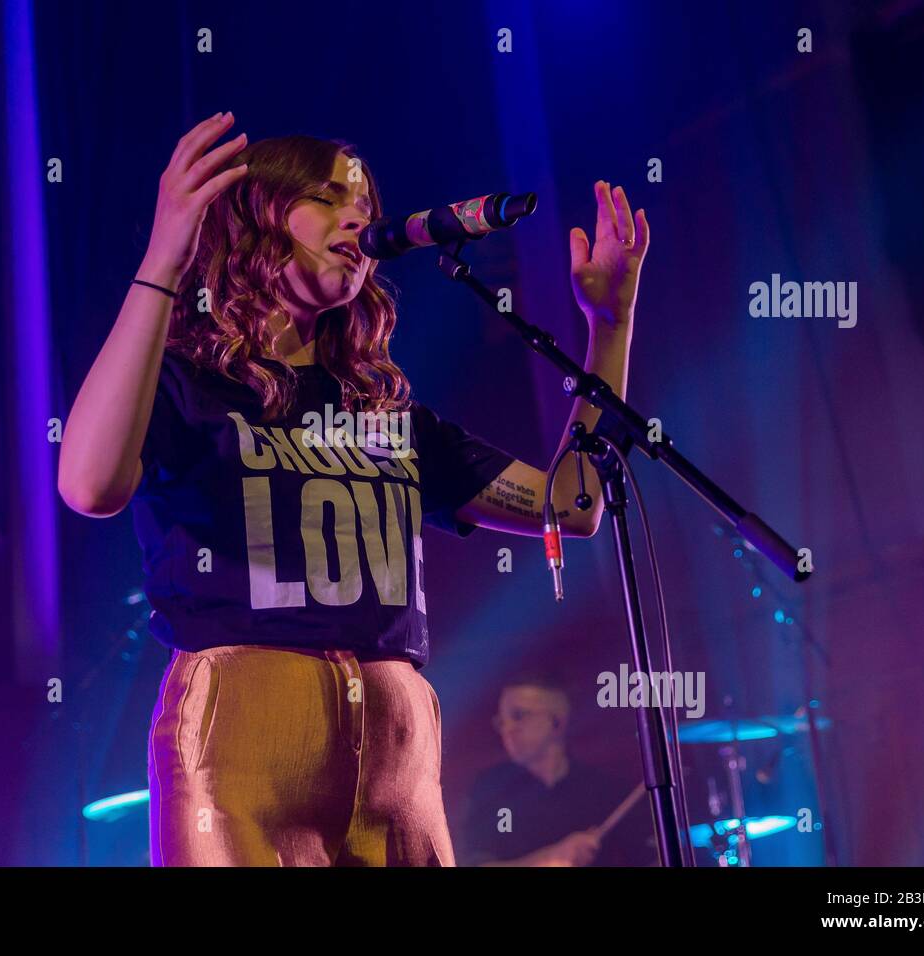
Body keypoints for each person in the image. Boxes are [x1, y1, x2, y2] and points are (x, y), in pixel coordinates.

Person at [57, 111, 648, 866]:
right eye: (330, 199)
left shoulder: (387, 415)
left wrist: (611, 325)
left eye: (366, 211)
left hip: (399, 762)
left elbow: (574, 507)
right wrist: (165, 257)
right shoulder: (185, 387)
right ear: (257, 216)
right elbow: (88, 484)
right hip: (243, 741)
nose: (357, 221)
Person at [460, 674, 657, 866]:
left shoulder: (605, 790)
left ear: (557, 723)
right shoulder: (488, 789)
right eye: (502, 721)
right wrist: (553, 858)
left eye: (518, 716)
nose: (508, 728)